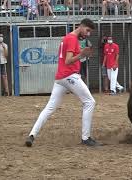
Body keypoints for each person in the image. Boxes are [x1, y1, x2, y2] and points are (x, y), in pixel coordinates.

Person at [25, 18, 101, 147]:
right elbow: (68, 60)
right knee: (89, 102)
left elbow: (66, 59)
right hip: (69, 76)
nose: (88, 34)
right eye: (87, 30)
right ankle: (86, 138)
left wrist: (82, 55)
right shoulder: (72, 39)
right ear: (81, 26)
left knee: (49, 108)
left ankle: (32, 135)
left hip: (60, 78)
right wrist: (82, 55)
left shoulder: (67, 38)